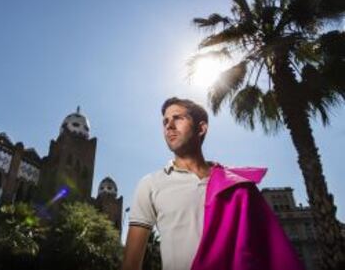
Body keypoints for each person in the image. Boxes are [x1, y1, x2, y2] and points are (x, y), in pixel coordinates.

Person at [121, 97, 305, 270]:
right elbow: (131, 263)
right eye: (165, 121)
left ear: (201, 129)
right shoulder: (150, 184)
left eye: (178, 118)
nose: (169, 125)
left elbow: (270, 251)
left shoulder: (238, 186)